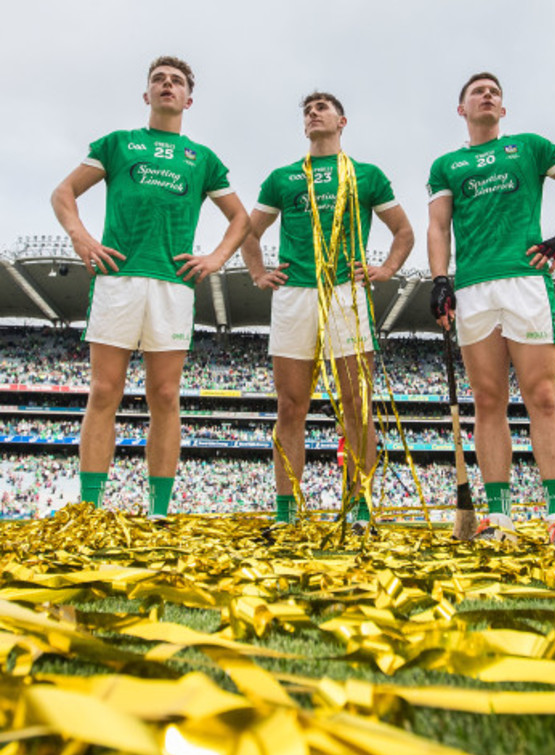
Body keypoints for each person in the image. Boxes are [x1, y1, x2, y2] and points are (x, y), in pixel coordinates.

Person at [51, 56, 250, 516]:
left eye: (176, 81)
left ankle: (158, 511)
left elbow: (240, 218)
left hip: (173, 284)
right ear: (146, 95)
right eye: (159, 80)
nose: (167, 85)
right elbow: (63, 193)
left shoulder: (202, 159)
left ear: (188, 99)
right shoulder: (117, 144)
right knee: (104, 391)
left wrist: (217, 257)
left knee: (164, 395)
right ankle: (89, 509)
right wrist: (82, 238)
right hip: (117, 277)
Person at [427, 72, 555, 545]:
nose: (487, 95)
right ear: (461, 109)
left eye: (495, 92)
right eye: (477, 92)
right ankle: (497, 516)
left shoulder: (530, 146)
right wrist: (440, 279)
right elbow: (438, 227)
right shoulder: (446, 165)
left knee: (542, 396)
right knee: (488, 401)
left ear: (502, 110)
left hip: (525, 280)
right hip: (475, 288)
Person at [241, 92, 414, 530]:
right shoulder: (282, 177)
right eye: (307, 110)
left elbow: (404, 231)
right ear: (304, 126)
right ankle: (288, 512)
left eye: (322, 108)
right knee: (290, 405)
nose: (313, 113)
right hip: (294, 293)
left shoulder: (366, 175)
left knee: (357, 406)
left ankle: (360, 507)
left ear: (342, 121)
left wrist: (387, 268)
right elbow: (249, 231)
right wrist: (259, 272)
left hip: (346, 293)